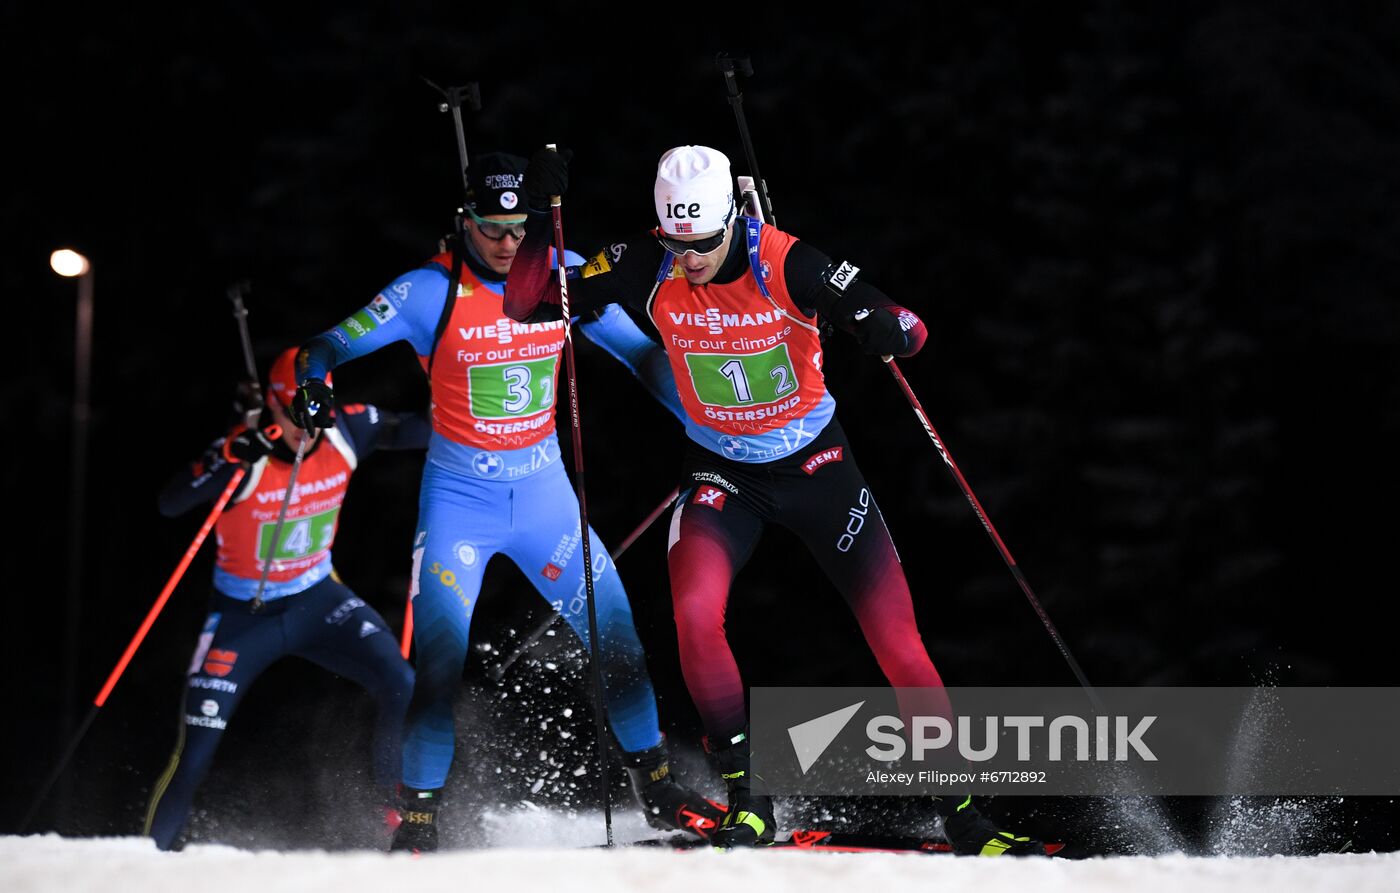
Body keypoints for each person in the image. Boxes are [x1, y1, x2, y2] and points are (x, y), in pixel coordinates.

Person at [503, 145, 1048, 855]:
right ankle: (750, 800)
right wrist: (543, 225)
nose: (689, 258)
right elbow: (524, 302)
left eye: (702, 242)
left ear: (732, 217)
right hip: (723, 475)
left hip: (819, 470)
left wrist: (889, 328)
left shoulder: (788, 261)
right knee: (695, 614)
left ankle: (966, 814)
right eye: (676, 241)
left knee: (897, 642)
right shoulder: (645, 262)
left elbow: (908, 327)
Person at [288, 152, 723, 852]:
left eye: (519, 228)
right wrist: (314, 380)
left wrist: (704, 417)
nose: (507, 243)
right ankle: (421, 820)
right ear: (463, 223)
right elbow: (327, 342)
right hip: (461, 502)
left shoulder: (563, 276)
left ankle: (656, 782)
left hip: (545, 496)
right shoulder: (429, 291)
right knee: (437, 664)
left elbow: (641, 355)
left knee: (619, 639)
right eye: (490, 228)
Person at [145, 347, 424, 851]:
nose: (308, 429)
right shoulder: (244, 453)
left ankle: (398, 819)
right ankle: (146, 861)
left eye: (316, 413)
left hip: (318, 600)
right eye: (293, 415)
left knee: (401, 680)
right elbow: (171, 503)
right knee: (194, 754)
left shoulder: (347, 433)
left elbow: (422, 428)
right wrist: (224, 456)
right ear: (270, 408)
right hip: (243, 620)